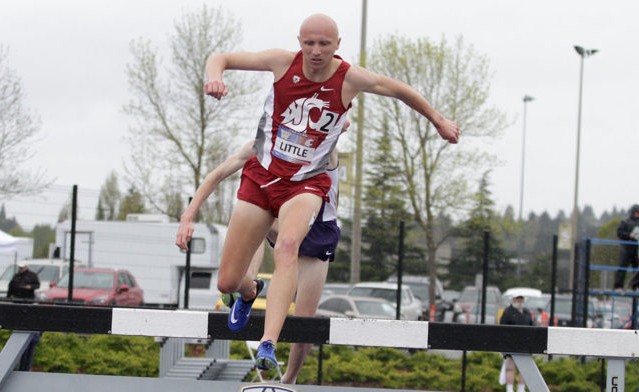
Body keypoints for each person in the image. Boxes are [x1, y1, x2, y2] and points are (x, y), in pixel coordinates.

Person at [204, 13, 459, 369]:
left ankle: (267, 344)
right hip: (263, 176)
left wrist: (439, 120)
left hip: (306, 183)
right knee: (227, 280)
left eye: (324, 44)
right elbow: (222, 58)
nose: (316, 51)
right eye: (309, 43)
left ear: (337, 45)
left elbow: (400, 90)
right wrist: (215, 76)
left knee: (289, 246)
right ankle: (248, 293)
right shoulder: (281, 62)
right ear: (300, 42)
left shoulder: (350, 77)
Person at [176, 138, 342, 383]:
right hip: (281, 222)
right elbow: (217, 174)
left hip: (316, 234)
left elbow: (338, 110)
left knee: (306, 320)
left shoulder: (324, 143)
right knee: (252, 218)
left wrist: (341, 117)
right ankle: (248, 287)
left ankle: (289, 379)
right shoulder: (261, 144)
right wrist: (187, 216)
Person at [6, 262, 41, 371]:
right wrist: (9, 297)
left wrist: (29, 287)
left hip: (28, 303)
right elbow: (11, 287)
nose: (21, 269)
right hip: (18, 304)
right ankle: (23, 368)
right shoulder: (16, 277)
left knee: (28, 349)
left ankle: (24, 369)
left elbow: (37, 285)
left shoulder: (32, 276)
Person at [500, 295, 533, 392]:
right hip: (511, 346)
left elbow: (531, 326)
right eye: (517, 299)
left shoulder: (527, 312)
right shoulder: (508, 312)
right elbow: (502, 328)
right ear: (513, 300)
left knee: (523, 370)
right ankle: (509, 389)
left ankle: (521, 389)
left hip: (525, 346)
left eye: (521, 299)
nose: (519, 301)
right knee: (510, 368)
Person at [614, 204, 639, 291]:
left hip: (637, 249)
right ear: (632, 212)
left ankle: (637, 287)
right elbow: (619, 232)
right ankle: (618, 286)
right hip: (626, 249)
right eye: (636, 213)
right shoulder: (625, 221)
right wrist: (629, 235)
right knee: (622, 267)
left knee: (638, 269)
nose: (638, 214)